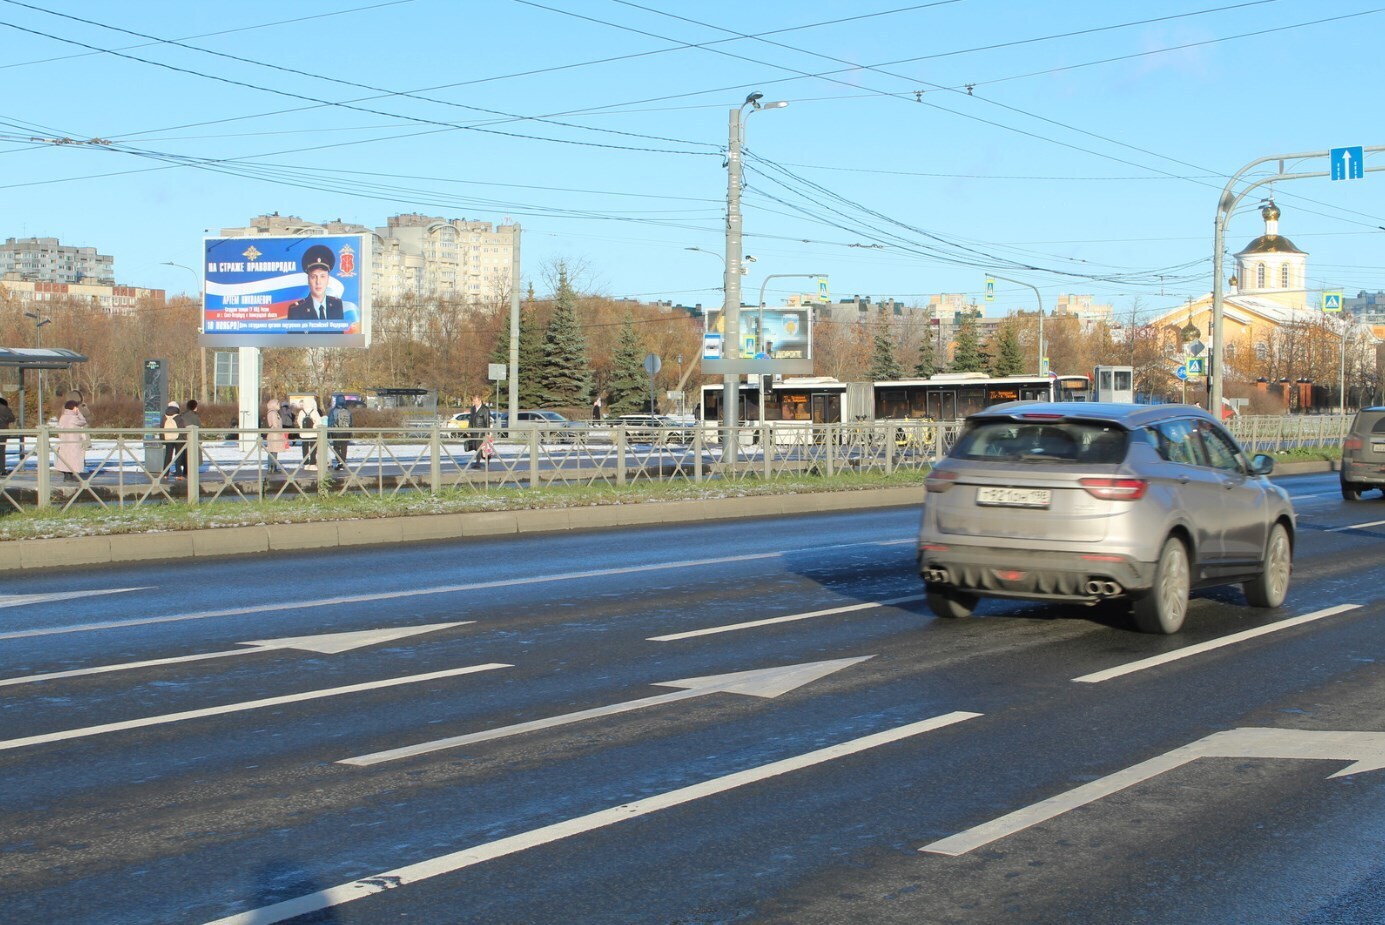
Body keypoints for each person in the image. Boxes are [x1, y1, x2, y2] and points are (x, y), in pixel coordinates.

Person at [286, 245, 344, 321]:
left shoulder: (337, 305)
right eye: (313, 277)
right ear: (308, 280)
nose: (318, 282)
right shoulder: (296, 310)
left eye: (322, 276)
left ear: (328, 279)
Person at [53, 399, 88, 483]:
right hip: (73, 442)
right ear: (74, 408)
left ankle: (67, 476)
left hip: (64, 441)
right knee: (73, 458)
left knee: (65, 458)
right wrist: (79, 413)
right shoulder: (74, 418)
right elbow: (83, 421)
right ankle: (70, 476)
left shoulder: (63, 417)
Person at [176, 399, 202, 478]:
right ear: (194, 407)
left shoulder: (182, 415)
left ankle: (183, 470)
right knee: (192, 456)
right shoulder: (195, 417)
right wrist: (200, 440)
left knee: (183, 455)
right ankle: (190, 473)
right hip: (192, 439)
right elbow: (198, 429)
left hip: (182, 439)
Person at [326, 396, 352, 471]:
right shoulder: (347, 411)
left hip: (336, 431)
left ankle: (339, 461)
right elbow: (350, 422)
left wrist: (329, 432)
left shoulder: (333, 410)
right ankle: (343, 462)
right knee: (344, 447)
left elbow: (330, 422)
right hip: (346, 431)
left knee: (336, 447)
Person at [297, 396, 323, 470]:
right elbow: (319, 422)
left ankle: (306, 464)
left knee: (305, 448)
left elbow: (299, 421)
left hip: (303, 434)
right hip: (313, 434)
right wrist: (314, 427)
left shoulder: (301, 412)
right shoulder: (314, 411)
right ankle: (312, 463)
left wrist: (302, 427)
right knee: (313, 448)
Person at [264, 398, 289, 474]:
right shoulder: (273, 413)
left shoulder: (272, 412)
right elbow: (275, 424)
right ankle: (272, 468)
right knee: (273, 451)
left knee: (273, 451)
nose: (279, 405)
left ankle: (272, 467)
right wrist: (280, 432)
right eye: (278, 404)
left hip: (273, 434)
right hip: (275, 434)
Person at [466, 394, 491, 462]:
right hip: (474, 431)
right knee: (476, 447)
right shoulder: (473, 408)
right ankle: (486, 458)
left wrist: (487, 433)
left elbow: (487, 421)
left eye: (476, 401)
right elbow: (471, 420)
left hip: (481, 431)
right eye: (474, 401)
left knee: (479, 446)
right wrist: (469, 431)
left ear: (480, 401)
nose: (475, 403)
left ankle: (478, 462)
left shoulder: (485, 409)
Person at [162, 401, 182, 478]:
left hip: (167, 439)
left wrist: (163, 438)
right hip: (178, 439)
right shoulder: (178, 417)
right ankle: (178, 474)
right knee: (178, 456)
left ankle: (165, 474)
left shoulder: (164, 417)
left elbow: (162, 427)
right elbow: (182, 428)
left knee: (168, 455)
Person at [0, 397, 13, 476]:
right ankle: (1, 469)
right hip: (2, 432)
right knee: (1, 451)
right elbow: (12, 418)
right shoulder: (4, 408)